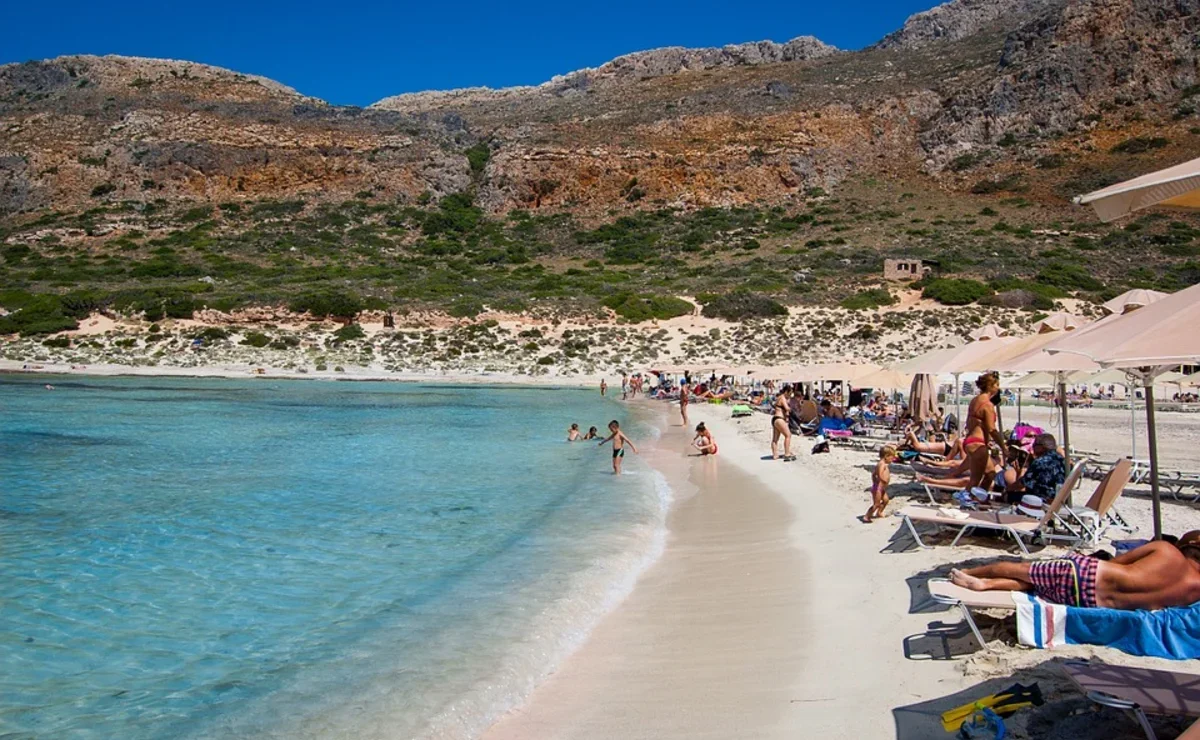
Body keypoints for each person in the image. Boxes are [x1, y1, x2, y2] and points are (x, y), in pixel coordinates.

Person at [950, 532, 1200, 611]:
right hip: (1090, 604)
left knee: (1022, 569)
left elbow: (1118, 564)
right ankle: (986, 585)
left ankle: (971, 571)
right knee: (1036, 584)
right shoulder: (1195, 592)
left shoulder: (1166, 550)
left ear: (1189, 545)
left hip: (1084, 575)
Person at [963, 373, 1006, 491]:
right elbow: (992, 429)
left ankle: (978, 497)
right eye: (996, 385)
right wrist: (1003, 447)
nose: (998, 388)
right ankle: (969, 497)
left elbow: (970, 422)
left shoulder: (975, 400)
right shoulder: (987, 405)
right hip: (978, 443)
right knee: (976, 479)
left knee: (990, 474)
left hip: (971, 440)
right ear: (990, 386)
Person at [1002, 433, 1067, 504]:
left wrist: (1007, 489)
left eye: (1034, 445)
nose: (1033, 448)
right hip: (1060, 499)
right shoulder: (1062, 460)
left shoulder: (1040, 462)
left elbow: (1021, 484)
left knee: (1008, 496)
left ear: (1041, 447)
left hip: (1041, 500)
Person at [864, 445, 898, 523]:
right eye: (892, 458)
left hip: (881, 488)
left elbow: (873, 474)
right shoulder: (882, 464)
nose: (892, 460)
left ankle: (879, 512)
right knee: (876, 504)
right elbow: (879, 474)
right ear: (886, 456)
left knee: (886, 500)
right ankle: (867, 516)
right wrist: (883, 480)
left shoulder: (882, 464)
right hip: (878, 488)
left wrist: (874, 480)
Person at [771, 385, 794, 460]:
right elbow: (787, 408)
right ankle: (787, 453)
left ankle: (775, 455)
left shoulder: (779, 398)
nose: (790, 395)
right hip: (780, 418)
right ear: (786, 392)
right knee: (788, 435)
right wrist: (791, 408)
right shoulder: (782, 397)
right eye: (789, 393)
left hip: (775, 419)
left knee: (775, 439)